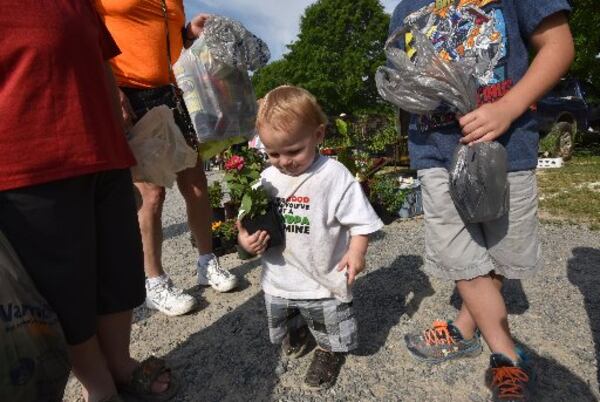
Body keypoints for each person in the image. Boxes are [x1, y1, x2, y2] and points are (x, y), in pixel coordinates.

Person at [388, 0, 574, 400]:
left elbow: (559, 45)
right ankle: (505, 355)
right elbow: (402, 81)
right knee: (459, 256)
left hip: (508, 147)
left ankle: (465, 330)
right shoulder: (408, 8)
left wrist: (508, 107)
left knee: (500, 251)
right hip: (436, 152)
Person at [0, 1, 176, 401]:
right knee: (67, 290)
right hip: (29, 164)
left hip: (103, 150)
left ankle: (119, 363)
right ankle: (98, 387)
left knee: (120, 272)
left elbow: (99, 60)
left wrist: (119, 134)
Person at [95, 0, 239, 317]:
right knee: (152, 193)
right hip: (130, 92)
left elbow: (162, 34)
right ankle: (154, 281)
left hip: (174, 91)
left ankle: (206, 262)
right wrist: (110, 87)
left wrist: (188, 34)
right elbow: (88, 31)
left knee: (197, 183)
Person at [237, 86, 383, 389]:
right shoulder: (266, 178)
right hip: (279, 275)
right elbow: (244, 219)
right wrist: (244, 241)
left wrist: (356, 252)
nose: (284, 161)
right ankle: (300, 330)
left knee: (328, 319)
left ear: (318, 135)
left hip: (323, 276)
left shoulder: (333, 175)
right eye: (273, 153)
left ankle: (329, 350)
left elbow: (361, 221)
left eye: (293, 151)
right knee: (286, 311)